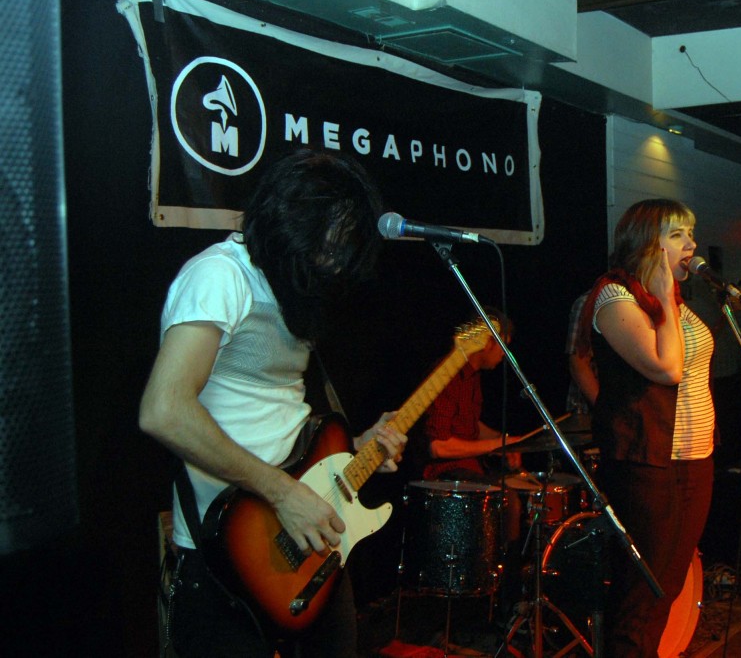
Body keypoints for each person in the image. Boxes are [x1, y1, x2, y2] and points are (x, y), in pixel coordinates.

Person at [139, 149, 408, 658]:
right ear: (294, 222)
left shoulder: (295, 291)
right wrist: (282, 494)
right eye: (333, 239)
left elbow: (276, 423)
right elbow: (164, 410)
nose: (335, 260)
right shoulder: (221, 276)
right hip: (230, 559)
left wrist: (355, 446)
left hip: (311, 543)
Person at [576, 198, 715, 657]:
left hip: (694, 457)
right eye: (677, 234)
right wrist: (662, 294)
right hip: (650, 461)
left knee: (669, 584)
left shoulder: (670, 302)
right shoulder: (616, 297)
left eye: (690, 233)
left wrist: (667, 297)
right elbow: (666, 368)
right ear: (645, 242)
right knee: (645, 589)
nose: (690, 244)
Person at [421, 309, 527, 482]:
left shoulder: (473, 376)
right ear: (486, 342)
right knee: (507, 499)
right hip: (446, 474)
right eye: (503, 346)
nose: (504, 354)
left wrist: (504, 440)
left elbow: (467, 423)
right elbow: (438, 446)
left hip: (469, 468)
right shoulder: (447, 375)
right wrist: (497, 445)